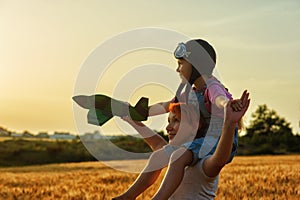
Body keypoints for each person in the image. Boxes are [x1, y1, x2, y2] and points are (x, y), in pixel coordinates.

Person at [113, 90, 250, 200]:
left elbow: (220, 158)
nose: (168, 128)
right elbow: (159, 146)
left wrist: (230, 123)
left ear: (194, 126)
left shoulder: (202, 161)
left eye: (176, 121)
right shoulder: (173, 155)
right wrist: (132, 120)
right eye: (168, 121)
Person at [148, 39, 242, 163]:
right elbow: (165, 106)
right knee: (158, 157)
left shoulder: (212, 86)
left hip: (221, 142)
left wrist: (227, 104)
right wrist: (140, 112)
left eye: (181, 64)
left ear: (196, 65)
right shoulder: (191, 93)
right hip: (201, 141)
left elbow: (219, 98)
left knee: (179, 156)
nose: (177, 69)